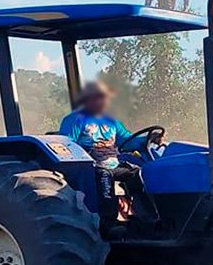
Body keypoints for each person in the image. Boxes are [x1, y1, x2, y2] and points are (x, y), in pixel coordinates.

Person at [59, 81, 160, 230]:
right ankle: (109, 223)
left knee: (137, 174)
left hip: (114, 163)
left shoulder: (112, 122)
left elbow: (126, 141)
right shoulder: (76, 120)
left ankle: (149, 219)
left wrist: (148, 139)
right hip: (90, 166)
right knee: (105, 177)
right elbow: (66, 143)